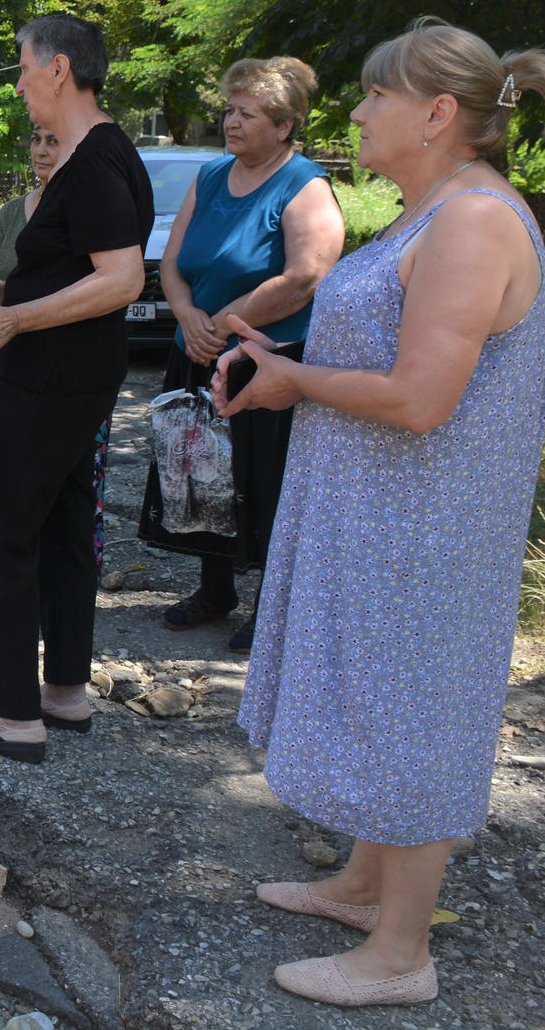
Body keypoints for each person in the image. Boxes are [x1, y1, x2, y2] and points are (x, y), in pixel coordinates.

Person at [222, 18, 545, 1008]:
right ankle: (362, 886)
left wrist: (294, 380)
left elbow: (421, 397)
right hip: (391, 515)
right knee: (385, 694)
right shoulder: (438, 207)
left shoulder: (470, 221)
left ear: (436, 114)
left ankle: (398, 956)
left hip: (429, 527)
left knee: (414, 709)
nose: (357, 111)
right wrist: (293, 369)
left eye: (376, 95)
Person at [0, 13, 152, 762]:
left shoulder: (94, 159)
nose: (20, 82)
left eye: (23, 67)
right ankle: (62, 691)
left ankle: (11, 714)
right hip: (73, 375)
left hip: (56, 378)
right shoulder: (95, 153)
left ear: (59, 70)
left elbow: (121, 278)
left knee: (5, 530)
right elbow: (74, 264)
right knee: (64, 529)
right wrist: (2, 292)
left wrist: (14, 318)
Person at [151, 58, 344, 649]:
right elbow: (172, 263)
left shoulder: (305, 184)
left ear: (285, 126)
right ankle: (215, 590)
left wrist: (223, 323)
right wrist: (187, 316)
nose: (231, 122)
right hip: (200, 350)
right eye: (229, 110)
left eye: (246, 114)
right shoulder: (211, 176)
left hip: (268, 361)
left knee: (269, 482)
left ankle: (273, 607)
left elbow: (307, 275)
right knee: (201, 470)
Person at [0, 124, 115, 565]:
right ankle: (5, 558)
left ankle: (65, 566)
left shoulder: (90, 209)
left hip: (71, 366)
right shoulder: (12, 212)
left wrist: (7, 299)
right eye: (36, 140)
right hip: (10, 361)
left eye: (54, 141)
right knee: (6, 475)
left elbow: (95, 290)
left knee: (65, 478)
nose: (42, 151)